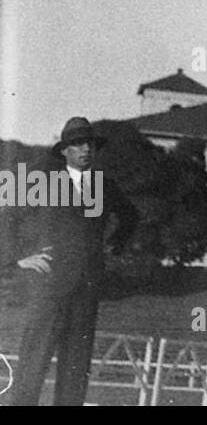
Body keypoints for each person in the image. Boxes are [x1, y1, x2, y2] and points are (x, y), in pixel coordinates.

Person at [7, 117, 137, 406]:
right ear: (64, 151)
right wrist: (19, 259)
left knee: (76, 371)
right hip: (49, 287)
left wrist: (115, 245)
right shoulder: (43, 182)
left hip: (87, 290)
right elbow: (8, 218)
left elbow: (130, 216)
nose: (85, 149)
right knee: (33, 363)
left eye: (89, 144)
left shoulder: (103, 186)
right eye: (77, 144)